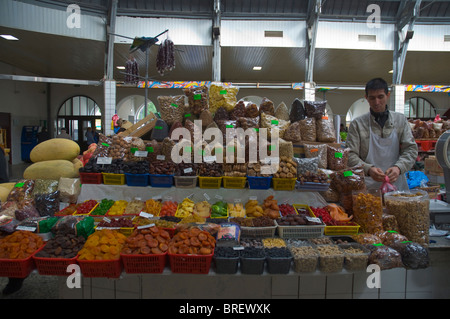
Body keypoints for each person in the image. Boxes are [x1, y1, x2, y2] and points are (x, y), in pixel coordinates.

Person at [346, 78, 418, 191]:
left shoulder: (400, 120)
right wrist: (368, 169)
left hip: (396, 185)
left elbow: (411, 149)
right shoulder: (358, 124)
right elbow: (350, 154)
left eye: (380, 97)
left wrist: (399, 167)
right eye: (372, 98)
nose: (376, 102)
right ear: (366, 98)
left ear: (387, 95)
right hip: (368, 186)